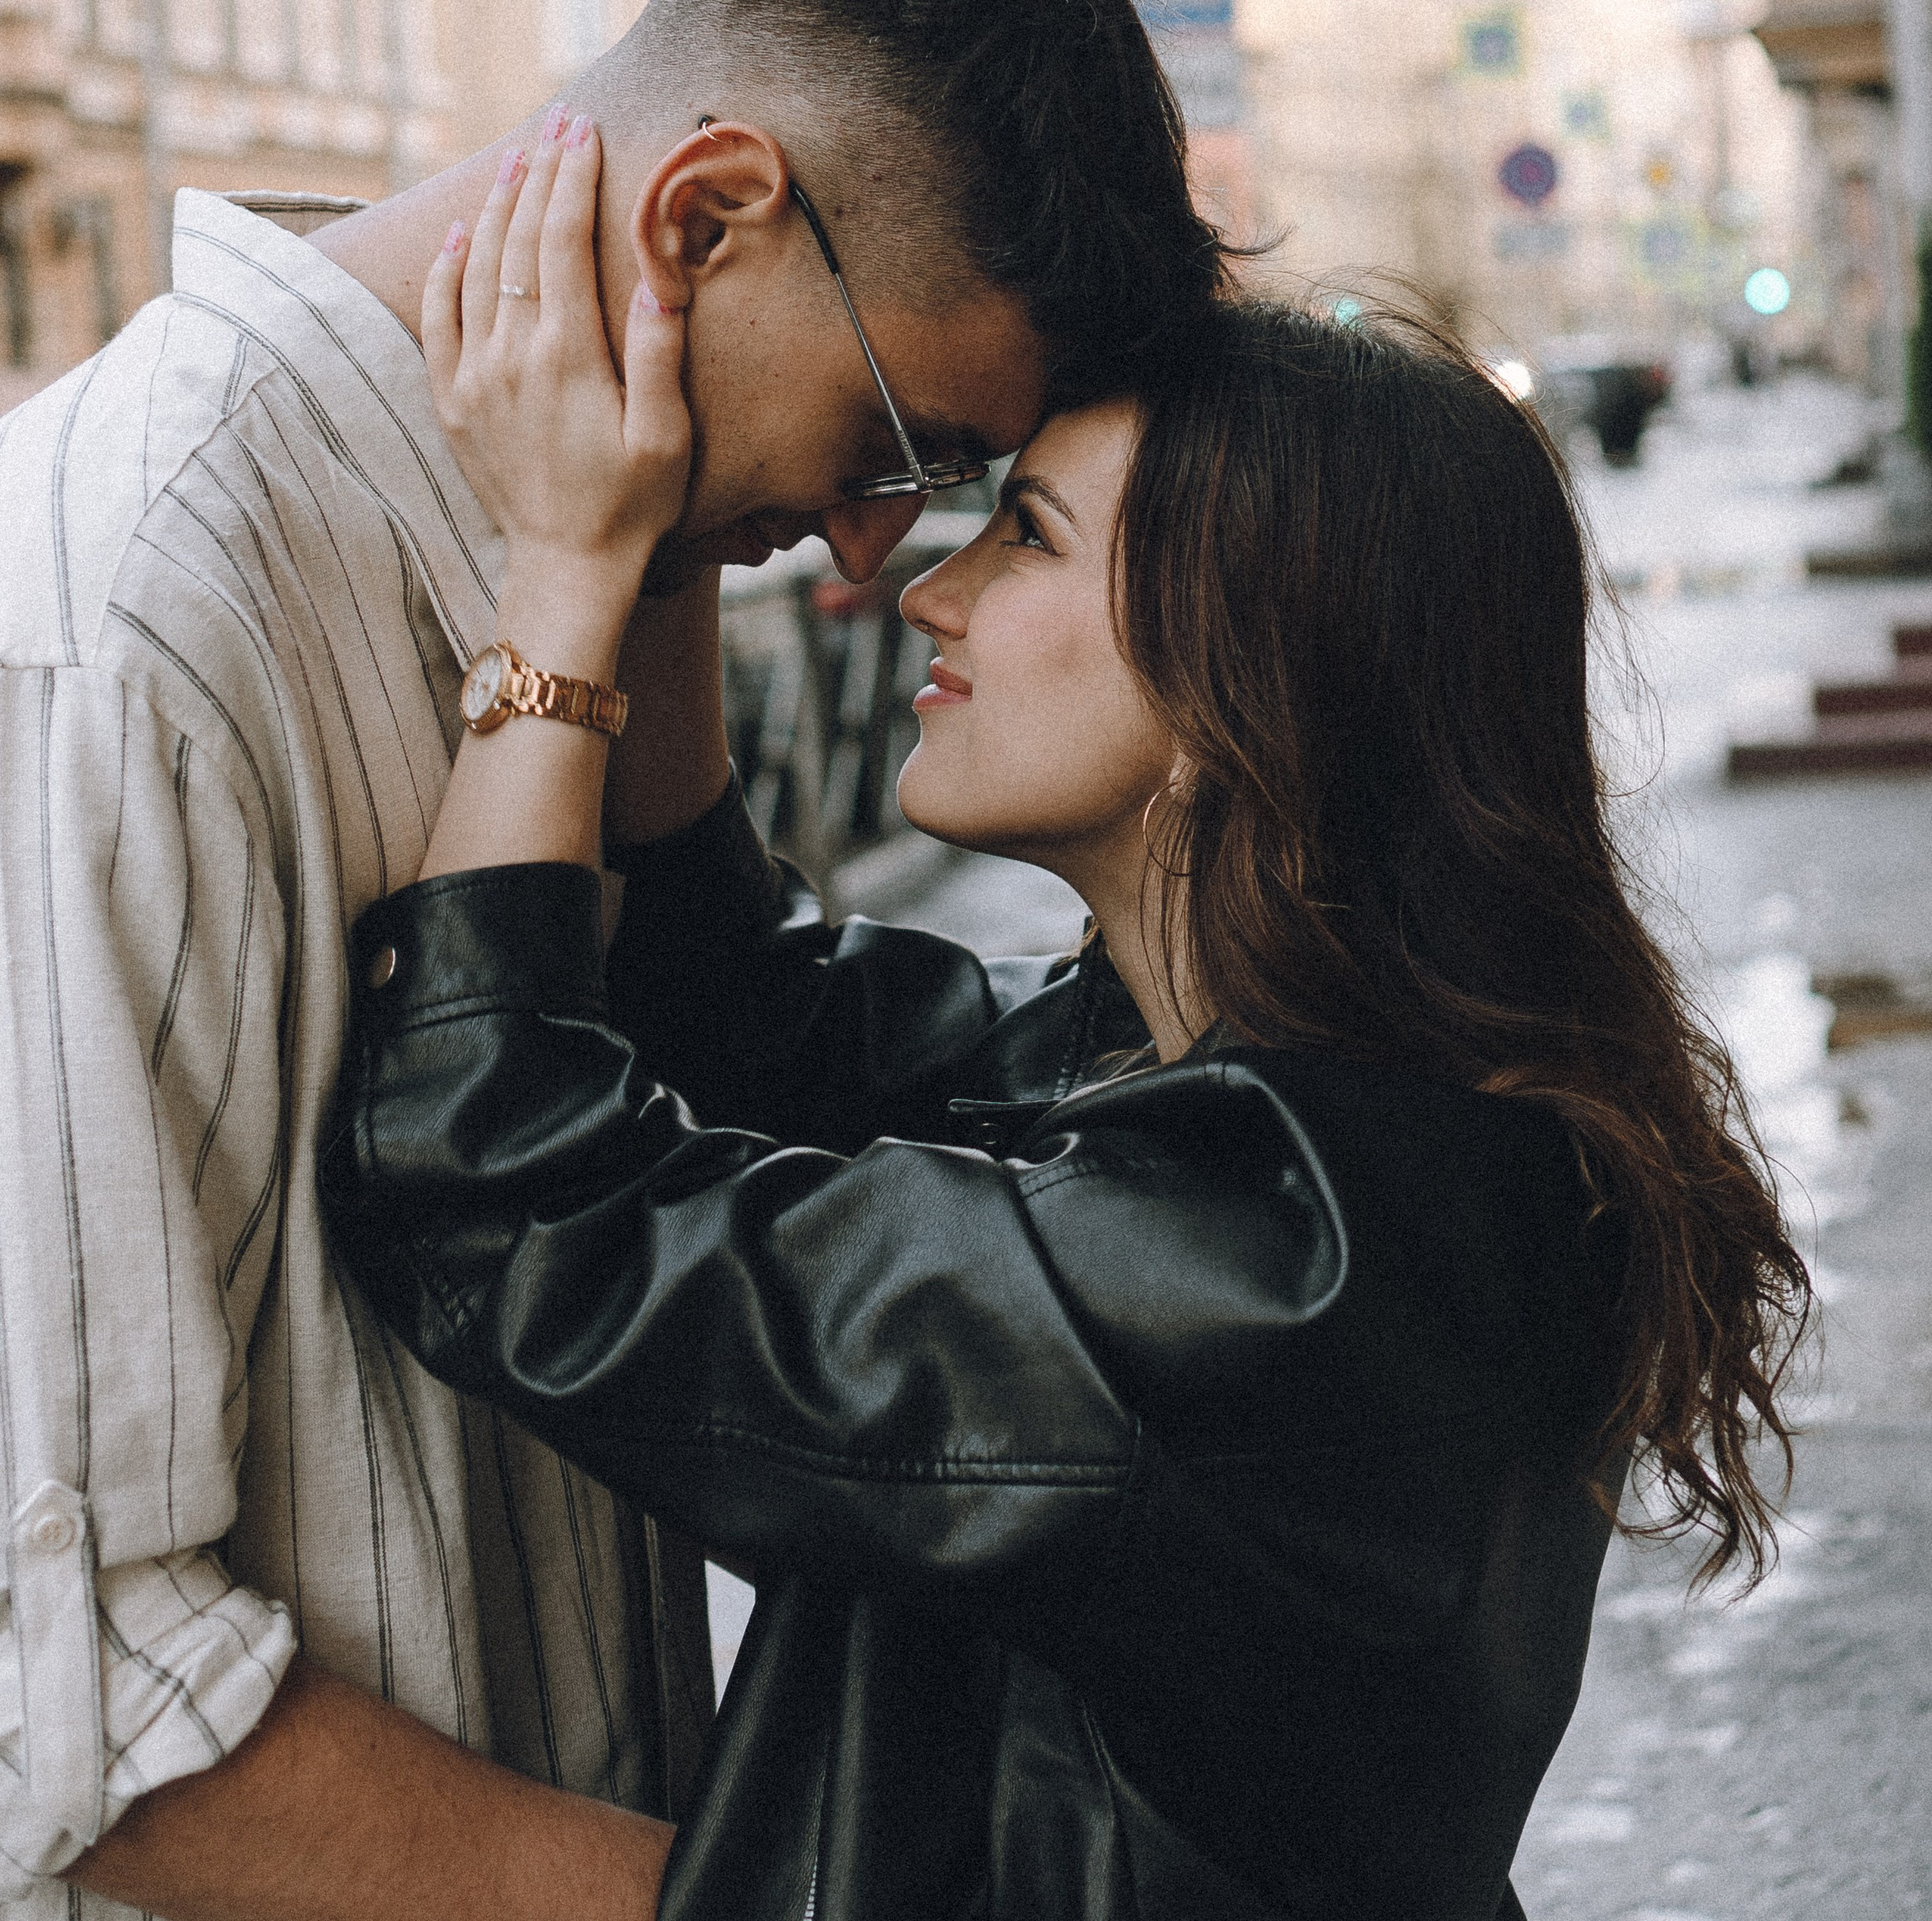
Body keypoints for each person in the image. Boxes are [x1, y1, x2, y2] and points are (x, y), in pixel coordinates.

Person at [322, 140, 1810, 1921]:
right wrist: (685, 515)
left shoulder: (1269, 1267)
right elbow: (738, 1013)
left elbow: (499, 1190)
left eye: (1021, 536)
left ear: (1239, 664)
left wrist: (561, 576)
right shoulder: (1278, 1104)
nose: (924, 593)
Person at [0, 0, 1222, 1921]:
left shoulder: (534, 549)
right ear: (710, 213)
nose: (869, 558)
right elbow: (68, 1689)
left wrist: (637, 558)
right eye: (896, 450)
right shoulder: (134, 610)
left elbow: (712, 1081)